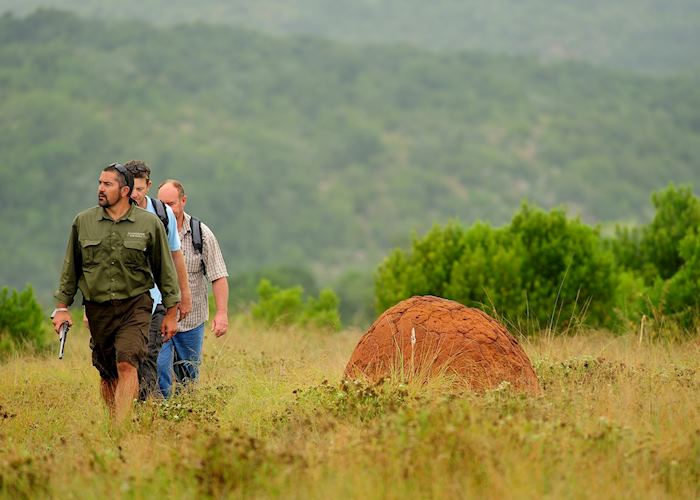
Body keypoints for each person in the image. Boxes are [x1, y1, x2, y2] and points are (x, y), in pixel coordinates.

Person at [52, 163, 180, 424]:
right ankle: (114, 421)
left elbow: (165, 271)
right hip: (98, 308)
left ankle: (120, 428)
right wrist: (62, 307)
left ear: (124, 190)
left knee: (127, 362)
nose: (100, 188)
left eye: (107, 184)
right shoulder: (83, 222)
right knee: (108, 372)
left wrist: (172, 313)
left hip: (136, 305)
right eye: (99, 183)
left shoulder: (149, 224)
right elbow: (71, 268)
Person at [123, 160, 192, 400]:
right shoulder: (112, 214)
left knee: (148, 357)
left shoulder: (162, 215)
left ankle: (149, 413)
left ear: (148, 186)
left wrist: (184, 296)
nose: (134, 194)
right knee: (122, 363)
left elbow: (176, 256)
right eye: (130, 188)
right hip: (119, 303)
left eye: (140, 189)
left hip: (154, 300)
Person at [156, 179, 229, 398]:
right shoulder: (151, 230)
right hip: (159, 318)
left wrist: (222, 313)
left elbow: (218, 275)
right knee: (160, 371)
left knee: (188, 376)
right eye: (162, 205)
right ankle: (163, 418)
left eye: (171, 204)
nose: (167, 210)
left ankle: (187, 420)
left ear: (183, 201)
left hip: (192, 320)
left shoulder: (201, 233)